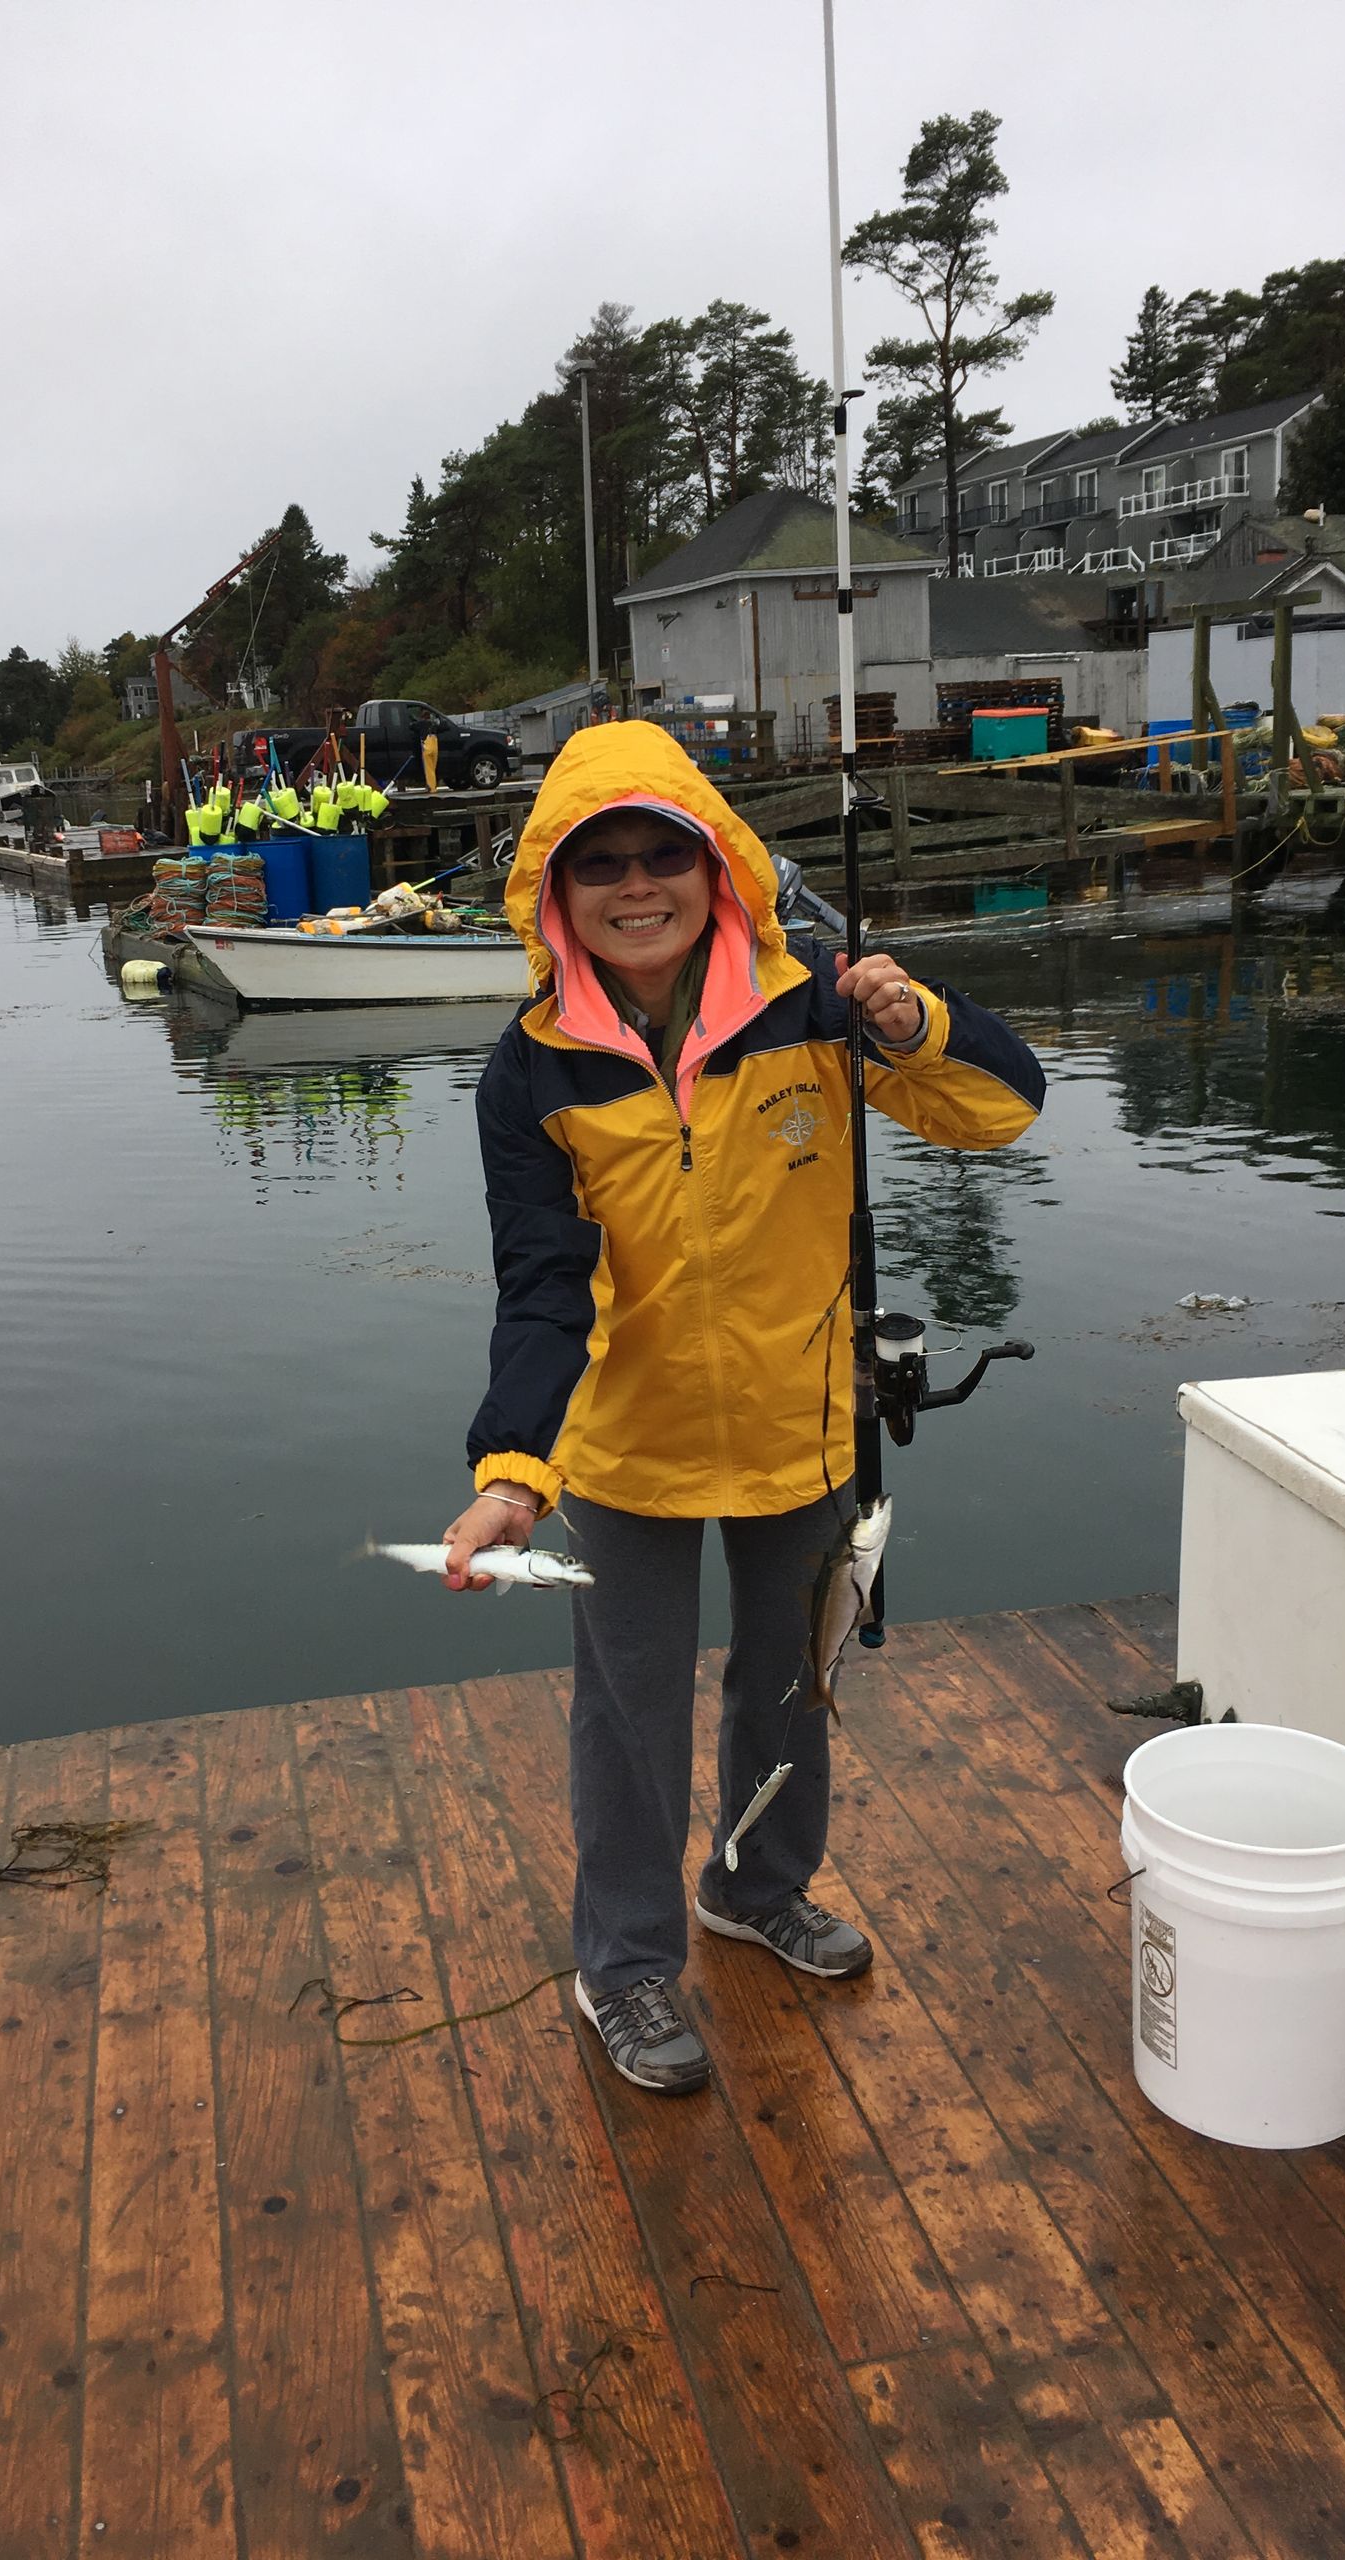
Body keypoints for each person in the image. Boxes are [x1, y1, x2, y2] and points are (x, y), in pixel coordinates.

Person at [443, 722, 1044, 2095]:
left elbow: (1004, 1109)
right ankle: (625, 1966)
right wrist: (514, 1469)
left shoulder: (818, 1005)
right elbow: (543, 1287)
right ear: (555, 891)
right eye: (600, 863)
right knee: (630, 1718)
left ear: (718, 867)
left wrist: (916, 1022)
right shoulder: (532, 1068)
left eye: (664, 854)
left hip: (802, 1426)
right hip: (628, 1448)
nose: (635, 886)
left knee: (788, 1687)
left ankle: (755, 1887)